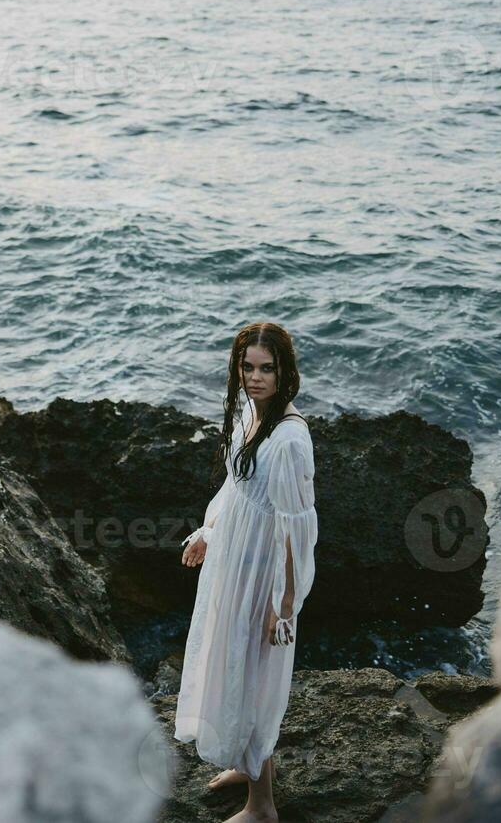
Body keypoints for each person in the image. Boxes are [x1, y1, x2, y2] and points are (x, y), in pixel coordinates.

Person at [173, 322, 318, 823]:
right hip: (234, 565)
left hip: (262, 584)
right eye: (247, 367)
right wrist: (208, 531)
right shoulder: (250, 416)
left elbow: (296, 533)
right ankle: (246, 763)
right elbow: (237, 492)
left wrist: (282, 608)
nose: (255, 378)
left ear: (286, 373)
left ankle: (263, 806)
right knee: (234, 671)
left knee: (255, 684)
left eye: (267, 369)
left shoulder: (290, 441)